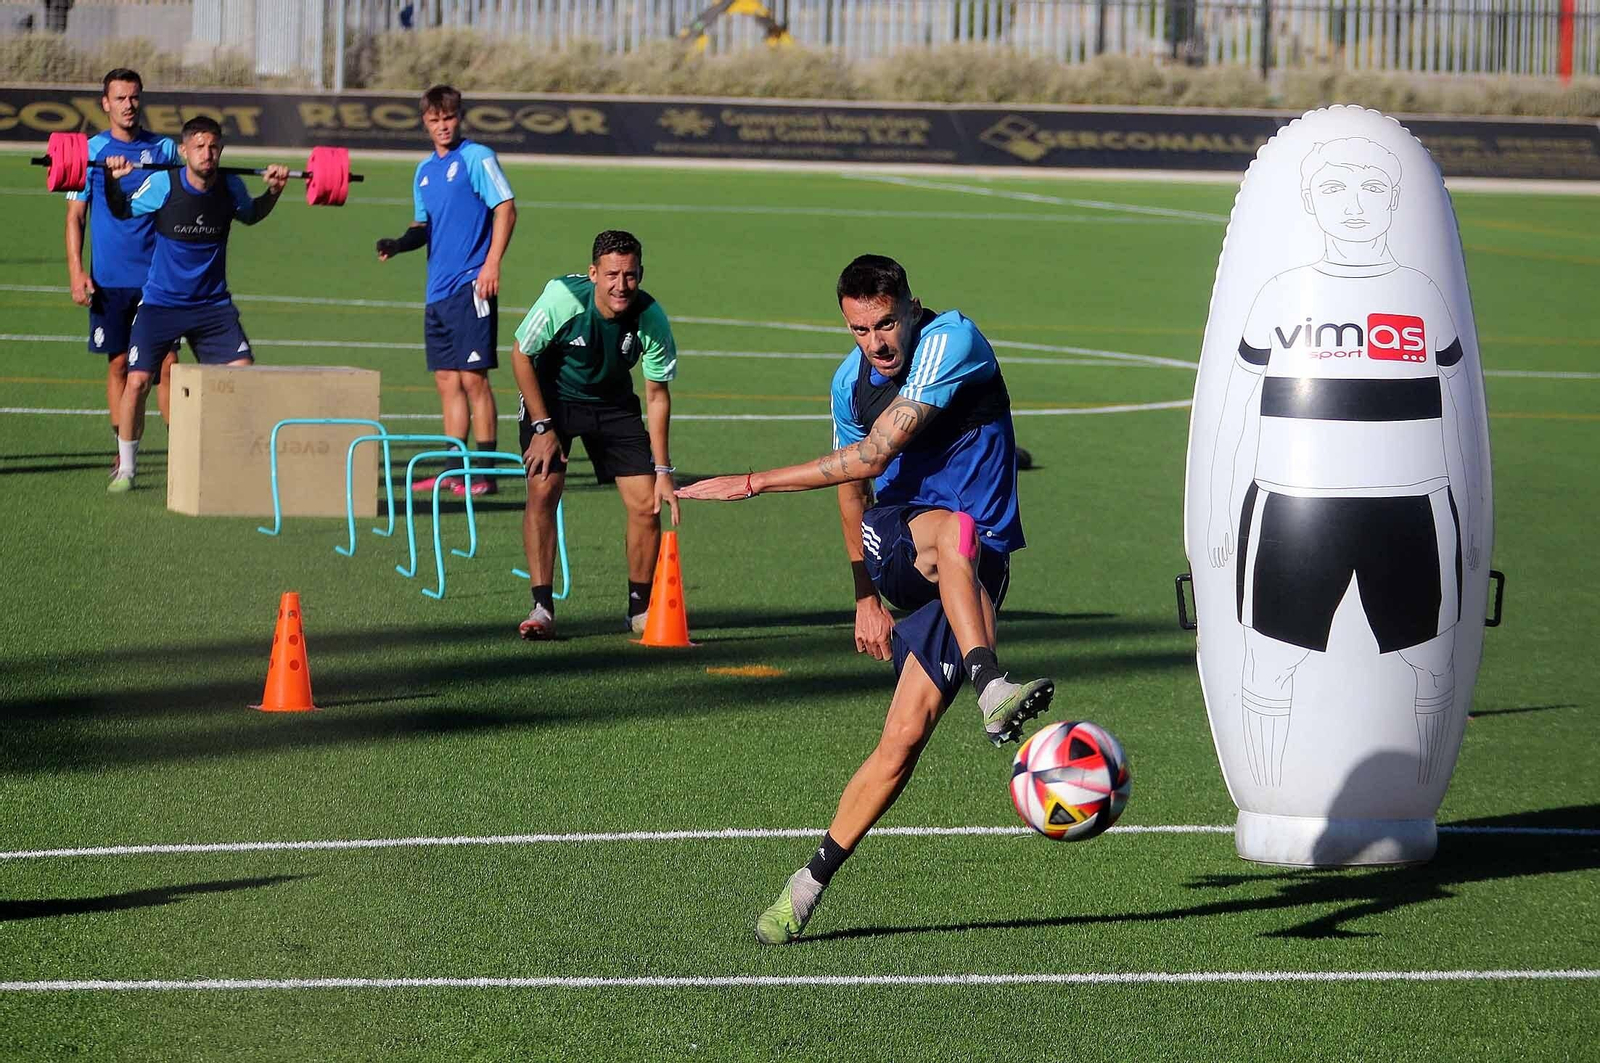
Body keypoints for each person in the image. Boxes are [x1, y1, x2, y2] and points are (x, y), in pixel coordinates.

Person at [677, 254, 1054, 944]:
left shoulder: (953, 341)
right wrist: (862, 594)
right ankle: (991, 681)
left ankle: (803, 886)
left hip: (974, 568)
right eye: (859, 329)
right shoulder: (850, 385)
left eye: (885, 323)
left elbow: (878, 451)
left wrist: (756, 479)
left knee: (901, 741)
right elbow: (861, 482)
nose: (876, 343)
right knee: (955, 528)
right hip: (903, 541)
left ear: (911, 307)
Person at [1206, 136, 1482, 787]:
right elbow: (1233, 412)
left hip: (1414, 505)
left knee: (1428, 663)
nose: (1353, 205)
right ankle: (1272, 798)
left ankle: (1412, 794)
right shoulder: (1278, 297)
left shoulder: (1421, 293)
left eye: (1371, 189)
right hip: (1292, 504)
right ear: (1310, 202)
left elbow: (1458, 418)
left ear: (1393, 202)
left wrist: (1470, 533)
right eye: (1334, 189)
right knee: (1270, 660)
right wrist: (1220, 516)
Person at [102, 116, 288, 492]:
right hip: (161, 304)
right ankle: (127, 468)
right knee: (137, 382)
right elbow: (122, 211)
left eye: (214, 147)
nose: (208, 153)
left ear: (221, 150)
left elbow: (250, 215)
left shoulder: (230, 187)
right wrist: (112, 180)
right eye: (199, 147)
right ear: (183, 150)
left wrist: (273, 192)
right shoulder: (162, 184)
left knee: (243, 375)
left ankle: (230, 458)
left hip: (212, 306)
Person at [510, 230, 680, 639]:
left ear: (640, 273)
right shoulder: (562, 298)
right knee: (543, 489)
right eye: (612, 275)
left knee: (646, 503)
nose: (621, 285)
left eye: (630, 275)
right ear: (593, 273)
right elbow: (520, 354)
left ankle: (639, 610)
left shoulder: (651, 318)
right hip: (553, 401)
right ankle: (542, 607)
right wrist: (542, 427)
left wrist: (662, 469)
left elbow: (657, 396)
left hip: (613, 403)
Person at [376, 84, 516, 497]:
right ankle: (454, 470)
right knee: (446, 381)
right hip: (437, 292)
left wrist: (491, 264)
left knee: (475, 381)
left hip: (471, 285)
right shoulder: (424, 171)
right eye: (435, 120)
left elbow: (506, 207)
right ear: (425, 122)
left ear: (460, 118)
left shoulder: (477, 157)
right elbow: (423, 227)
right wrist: (398, 244)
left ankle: (486, 473)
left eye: (449, 119)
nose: (443, 127)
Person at [65, 67, 180, 482]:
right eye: (120, 98)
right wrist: (78, 271)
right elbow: (76, 217)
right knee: (118, 365)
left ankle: (183, 451)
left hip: (158, 279)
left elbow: (181, 201)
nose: (128, 105)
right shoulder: (91, 151)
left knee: (168, 364)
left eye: (134, 97)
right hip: (110, 280)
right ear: (106, 103)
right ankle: (123, 452)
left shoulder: (164, 149)